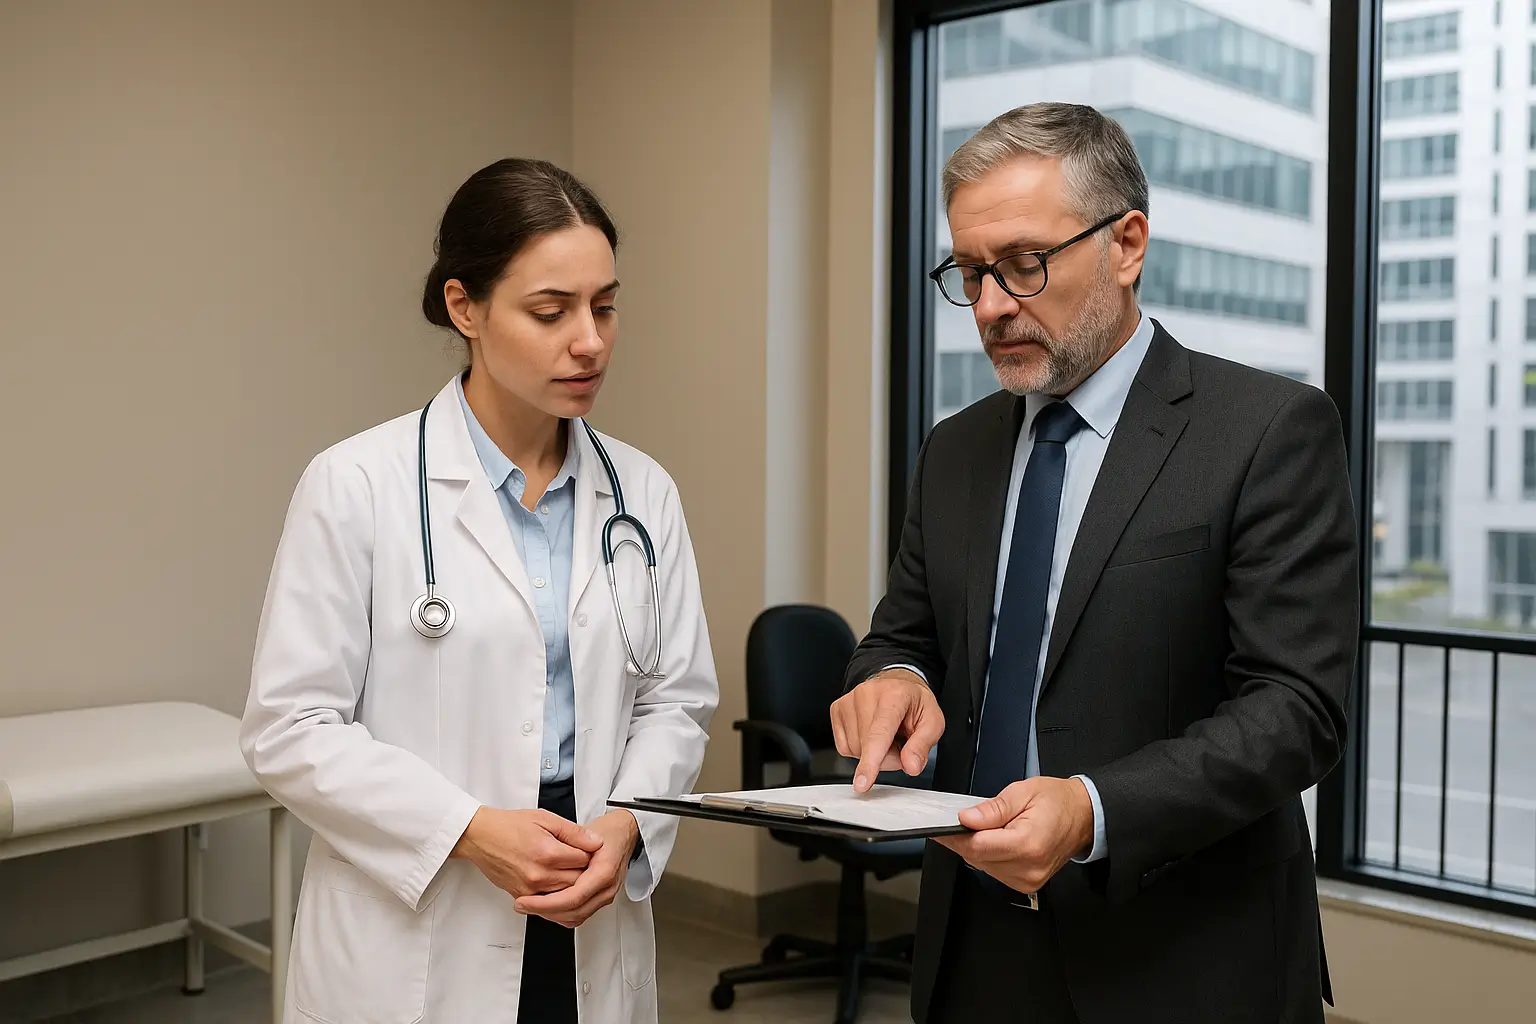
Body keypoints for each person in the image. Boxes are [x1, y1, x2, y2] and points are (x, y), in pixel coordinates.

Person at [830, 103, 1357, 1024]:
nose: (992, 305)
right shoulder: (955, 450)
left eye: (1025, 264)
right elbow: (901, 632)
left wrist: (1094, 807)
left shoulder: (1265, 431)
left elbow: (1297, 708)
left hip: (1182, 957)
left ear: (1127, 244)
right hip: (974, 945)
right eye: (971, 272)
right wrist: (892, 676)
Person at [240, 158, 719, 1024]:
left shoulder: (643, 493)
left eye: (605, 306)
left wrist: (628, 825)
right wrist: (468, 829)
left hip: (590, 886)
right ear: (466, 307)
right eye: (551, 311)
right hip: (420, 905)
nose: (592, 341)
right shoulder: (357, 483)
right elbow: (290, 728)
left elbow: (676, 701)